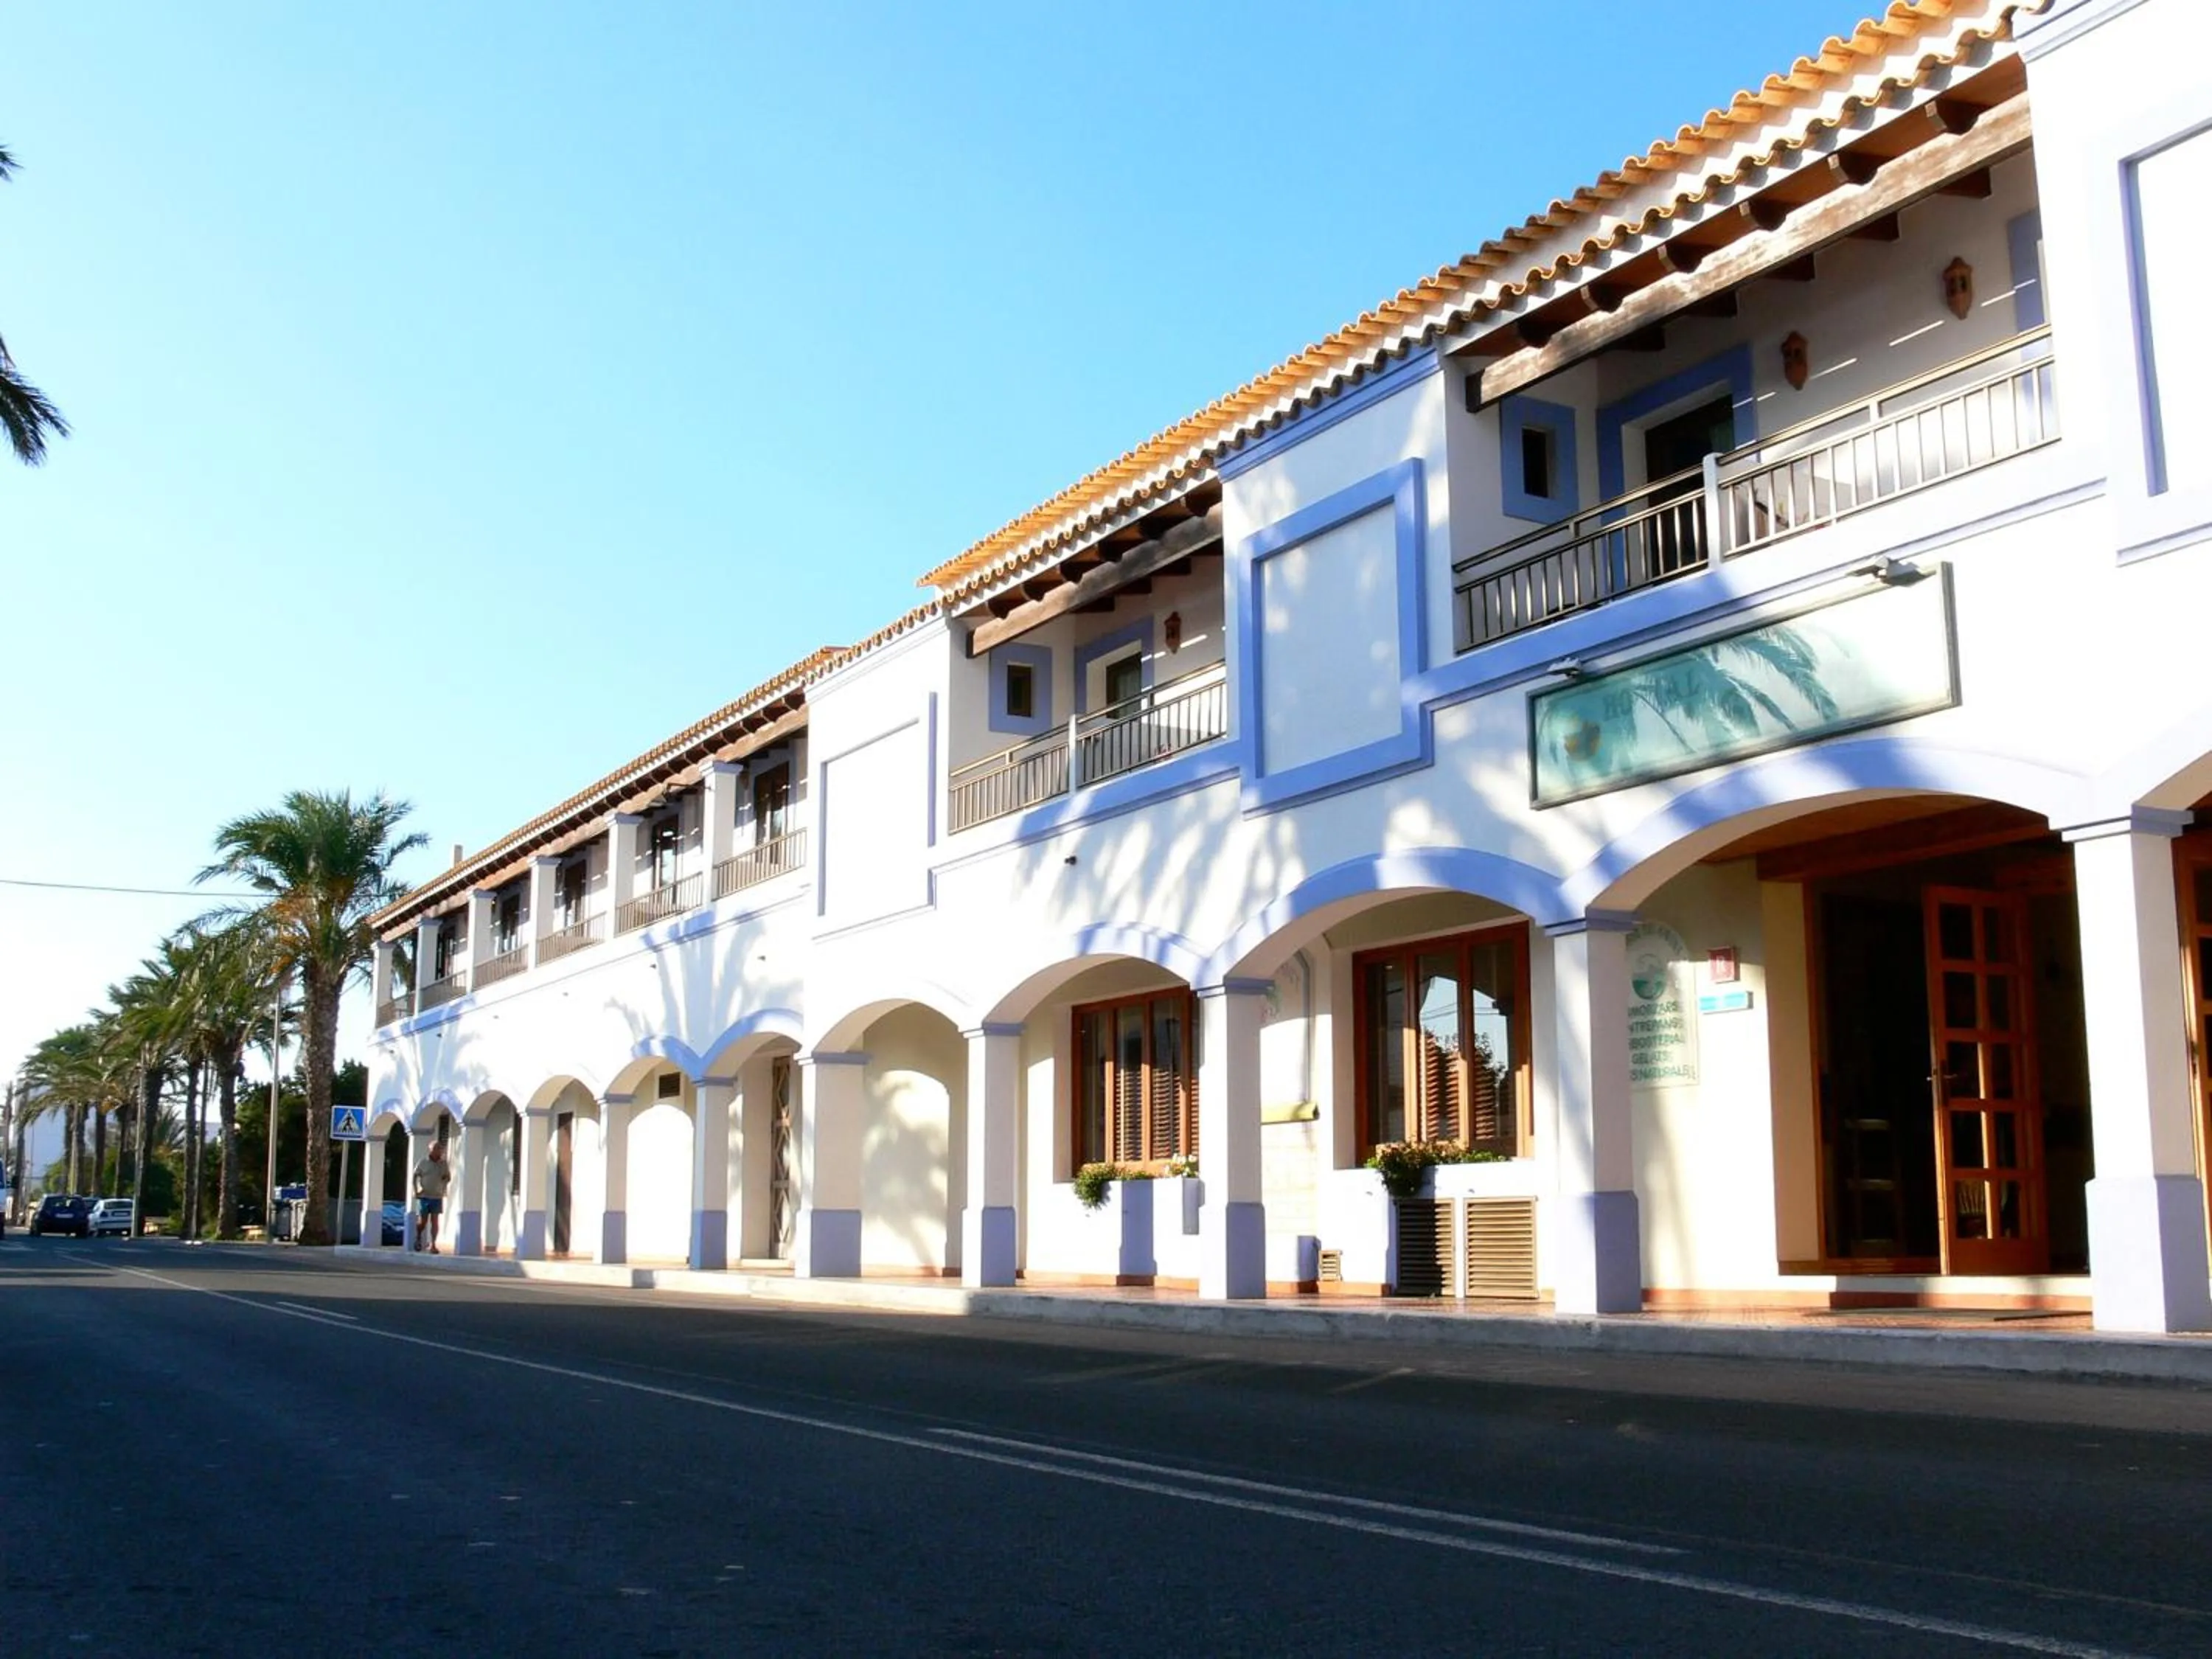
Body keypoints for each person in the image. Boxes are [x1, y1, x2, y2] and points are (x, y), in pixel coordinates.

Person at [412, 1139, 453, 1253]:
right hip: (424, 1196)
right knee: (423, 1221)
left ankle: (433, 1244)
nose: (439, 1151)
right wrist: (416, 1191)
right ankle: (419, 1236)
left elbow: (448, 1177)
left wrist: (445, 1180)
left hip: (437, 1196)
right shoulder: (423, 1162)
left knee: (435, 1221)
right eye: (436, 1149)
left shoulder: (443, 1163)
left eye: (440, 1149)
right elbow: (415, 1176)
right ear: (431, 1150)